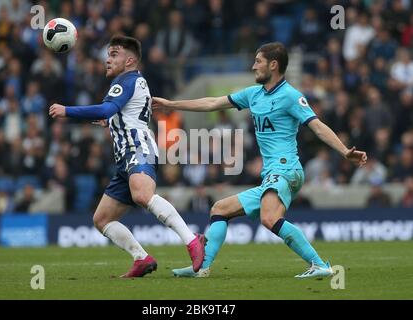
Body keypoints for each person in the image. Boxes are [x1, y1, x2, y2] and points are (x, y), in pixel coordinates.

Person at [153, 42, 367, 278]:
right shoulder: (252, 94)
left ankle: (320, 265)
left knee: (269, 217)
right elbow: (213, 103)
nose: (254, 66)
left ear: (273, 65)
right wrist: (172, 104)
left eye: (258, 61)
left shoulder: (291, 96)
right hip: (271, 175)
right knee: (220, 209)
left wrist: (345, 151)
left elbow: (317, 127)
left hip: (287, 169)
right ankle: (202, 268)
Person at [49, 36, 205, 278]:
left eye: (114, 54)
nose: (107, 59)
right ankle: (141, 258)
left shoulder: (127, 80)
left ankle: (191, 239)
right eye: (108, 54)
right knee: (102, 219)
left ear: (129, 60)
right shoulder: (133, 81)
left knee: (142, 195)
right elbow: (119, 113)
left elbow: (107, 109)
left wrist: (67, 110)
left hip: (137, 148)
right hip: (124, 158)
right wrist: (109, 121)